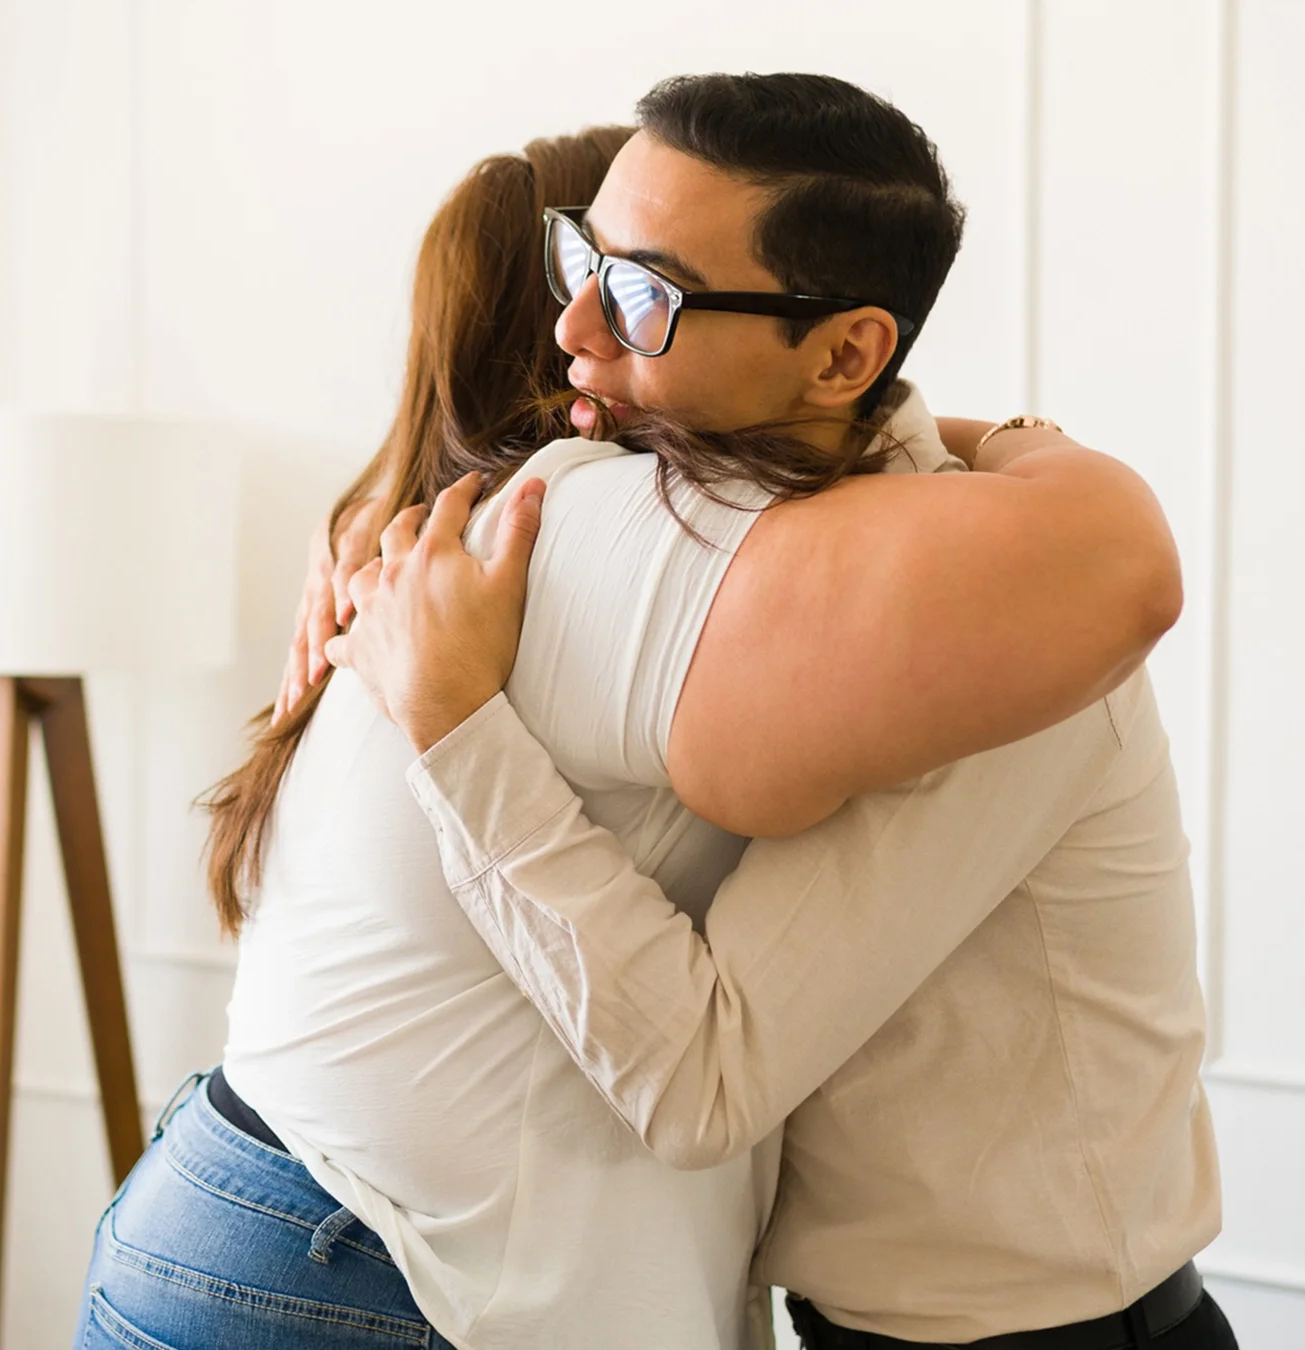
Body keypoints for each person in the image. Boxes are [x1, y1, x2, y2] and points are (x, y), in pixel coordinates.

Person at [78, 85, 1186, 1350]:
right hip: (360, 1271)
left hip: (265, 1219)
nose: (576, 325)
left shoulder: (510, 545)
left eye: (642, 291)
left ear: (843, 357)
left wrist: (993, 441)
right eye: (575, 259)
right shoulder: (589, 526)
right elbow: (1109, 560)